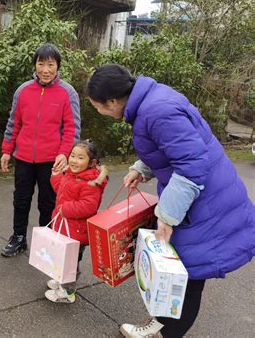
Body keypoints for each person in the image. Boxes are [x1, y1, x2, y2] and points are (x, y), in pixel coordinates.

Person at [85, 64, 254, 338]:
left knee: (186, 276)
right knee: (175, 273)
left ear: (113, 101)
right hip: (199, 195)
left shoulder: (156, 111)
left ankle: (166, 333)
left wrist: (167, 217)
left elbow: (191, 165)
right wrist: (142, 168)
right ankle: (161, 324)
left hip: (204, 203)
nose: (99, 112)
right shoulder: (153, 100)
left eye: (98, 107)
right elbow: (175, 148)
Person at [0, 43, 81, 257]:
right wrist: (7, 150)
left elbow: (72, 128)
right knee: (21, 199)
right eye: (41, 63)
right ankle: (18, 237)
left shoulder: (67, 92)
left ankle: (46, 240)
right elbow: (13, 123)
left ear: (58, 66)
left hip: (52, 160)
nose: (45, 69)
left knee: (48, 202)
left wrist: (65, 153)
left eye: (51, 64)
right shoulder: (23, 91)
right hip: (24, 157)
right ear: (35, 65)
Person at [45, 140, 108, 303]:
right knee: (61, 257)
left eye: (80, 158)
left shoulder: (90, 182)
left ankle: (67, 292)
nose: (74, 160)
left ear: (92, 163)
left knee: (70, 263)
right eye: (72, 155)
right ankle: (61, 280)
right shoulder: (71, 175)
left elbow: (88, 206)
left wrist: (65, 209)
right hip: (64, 226)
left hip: (76, 232)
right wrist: (56, 175)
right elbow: (60, 189)